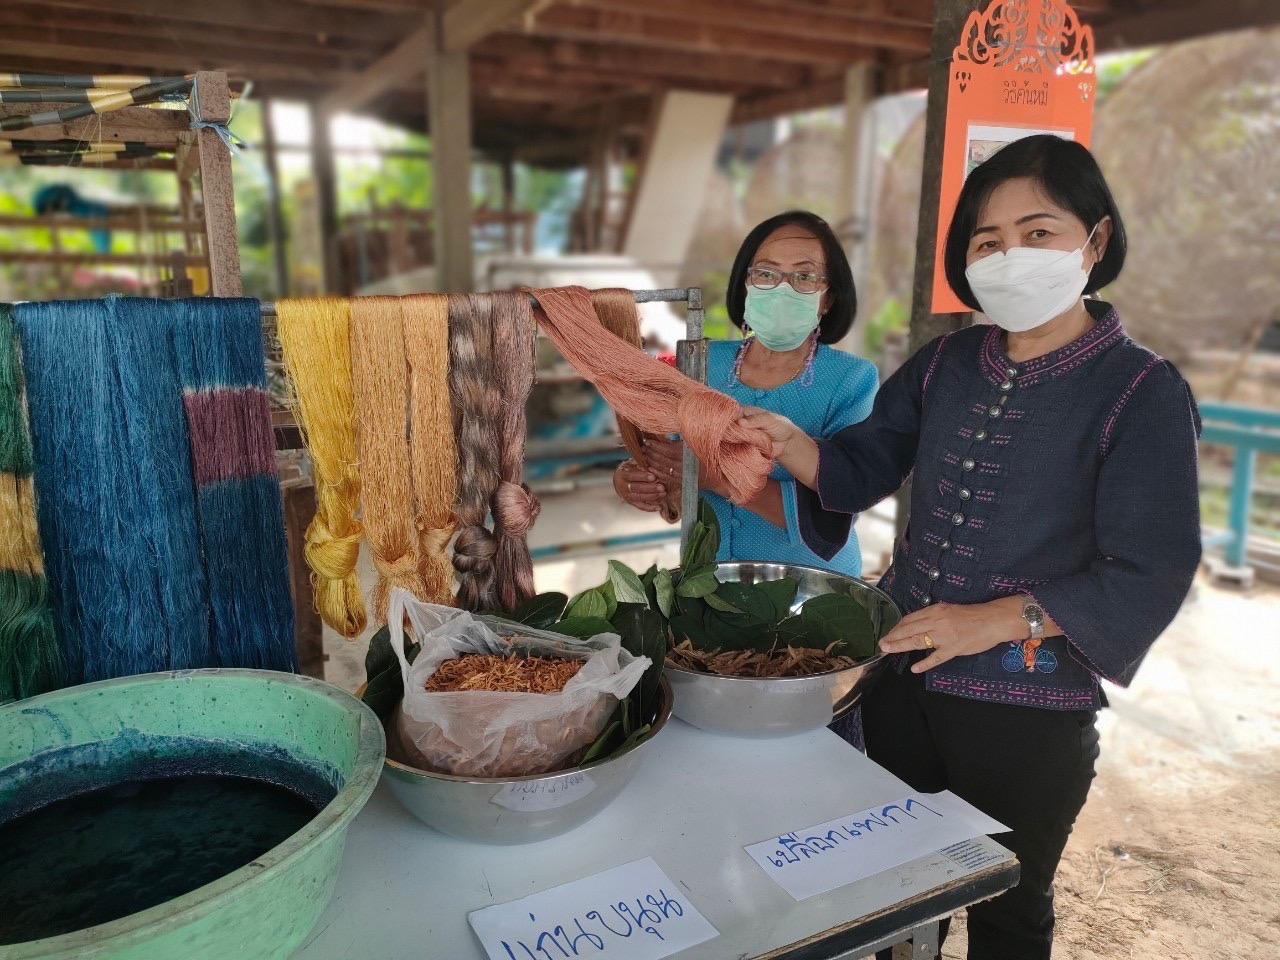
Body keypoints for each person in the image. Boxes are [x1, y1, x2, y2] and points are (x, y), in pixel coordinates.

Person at [741, 136, 1202, 959]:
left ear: (1094, 242)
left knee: (1008, 909)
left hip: (1025, 714)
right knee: (888, 896)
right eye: (987, 242)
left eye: (1038, 232)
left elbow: (1151, 568)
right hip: (900, 680)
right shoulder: (948, 360)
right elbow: (861, 463)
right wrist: (785, 442)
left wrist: (993, 620)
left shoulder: (1141, 389)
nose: (1009, 255)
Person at [613, 210, 878, 577]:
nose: (782, 289)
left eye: (804, 276)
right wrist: (635, 479)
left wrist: (718, 477)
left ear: (828, 298)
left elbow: (840, 507)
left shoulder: (851, 380)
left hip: (812, 587)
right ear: (746, 285)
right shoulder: (700, 362)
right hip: (708, 579)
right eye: (766, 274)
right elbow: (666, 456)